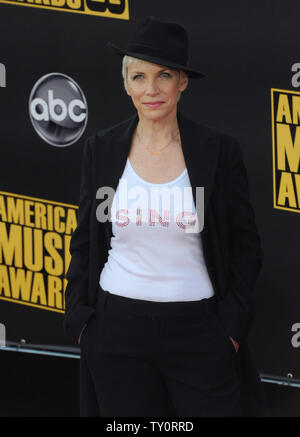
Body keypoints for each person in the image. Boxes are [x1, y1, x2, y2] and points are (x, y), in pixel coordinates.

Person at [63, 16, 269, 417]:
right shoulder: (101, 150)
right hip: (115, 330)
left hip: (200, 333)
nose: (151, 89)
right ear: (126, 84)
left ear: (182, 82)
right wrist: (83, 324)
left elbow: (247, 247)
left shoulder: (218, 152)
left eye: (164, 75)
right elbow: (84, 240)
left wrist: (229, 332)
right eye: (139, 76)